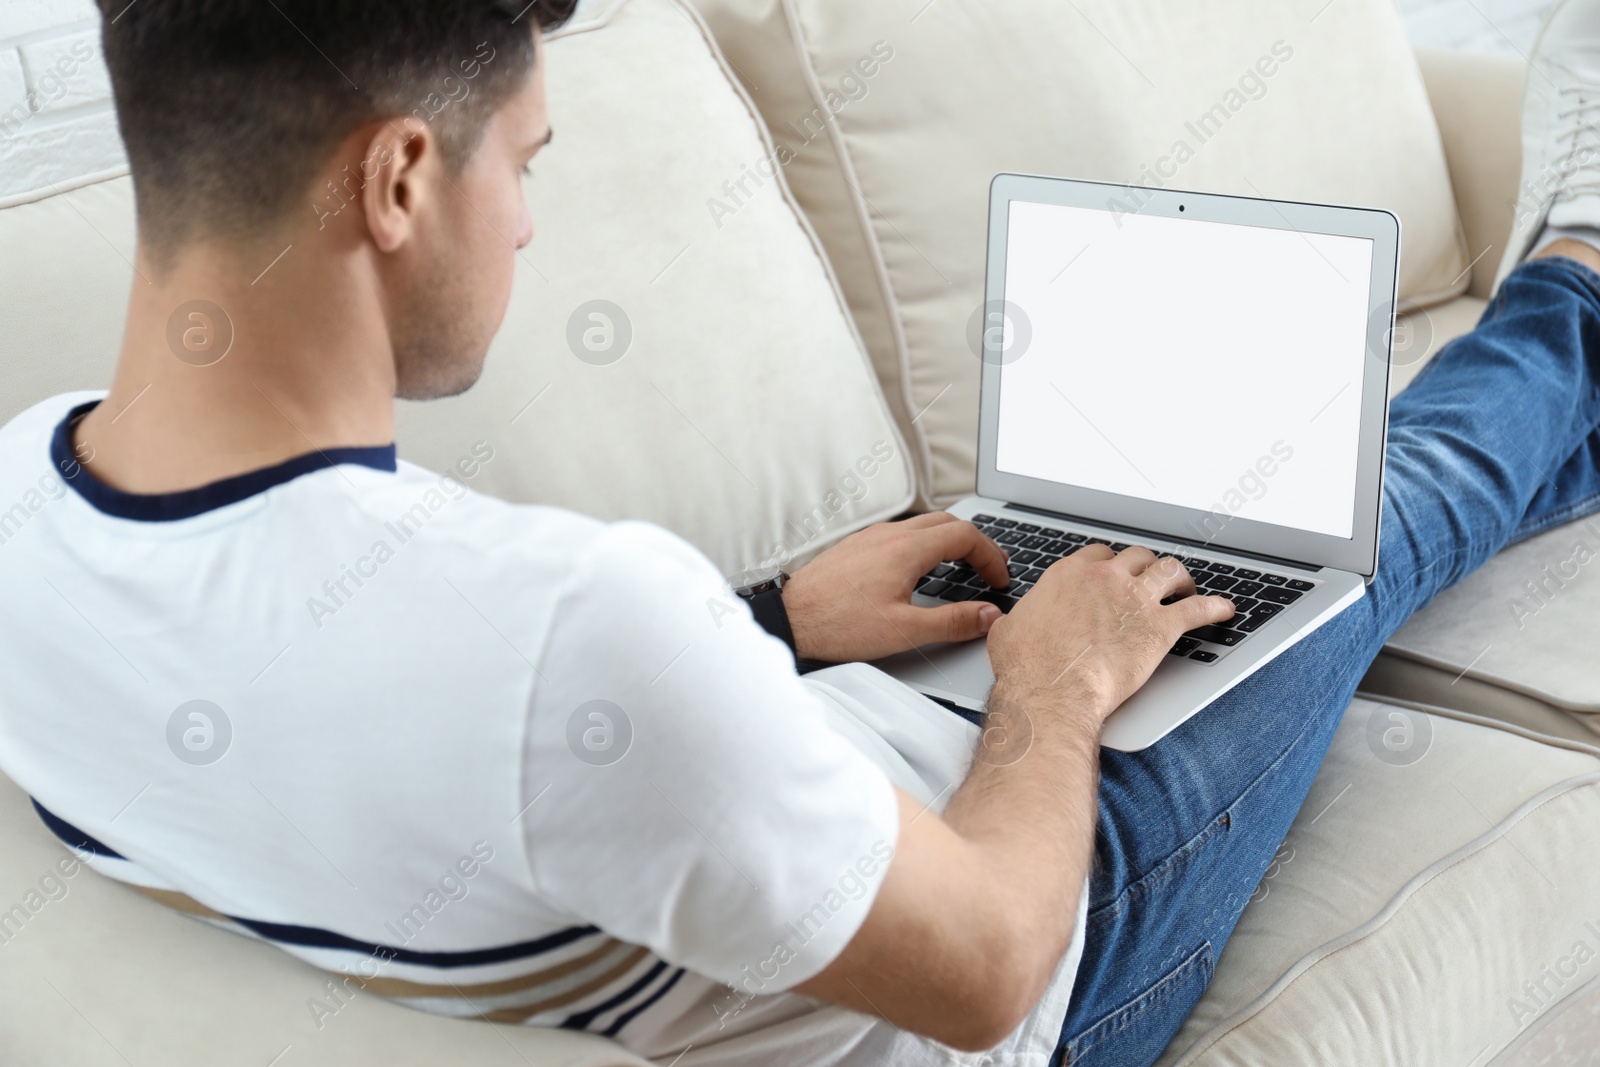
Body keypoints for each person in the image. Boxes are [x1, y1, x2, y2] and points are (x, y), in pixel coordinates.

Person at [0, 2, 1597, 1065]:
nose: (531, 221)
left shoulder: (28, 501)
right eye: (526, 163)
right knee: (1367, 516)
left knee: (1269, 524)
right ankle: (1580, 271)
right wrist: (1055, 684)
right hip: (1047, 920)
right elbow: (981, 978)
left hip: (828, 762)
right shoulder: (574, 624)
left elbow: (449, 711)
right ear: (402, 179)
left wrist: (764, 619)